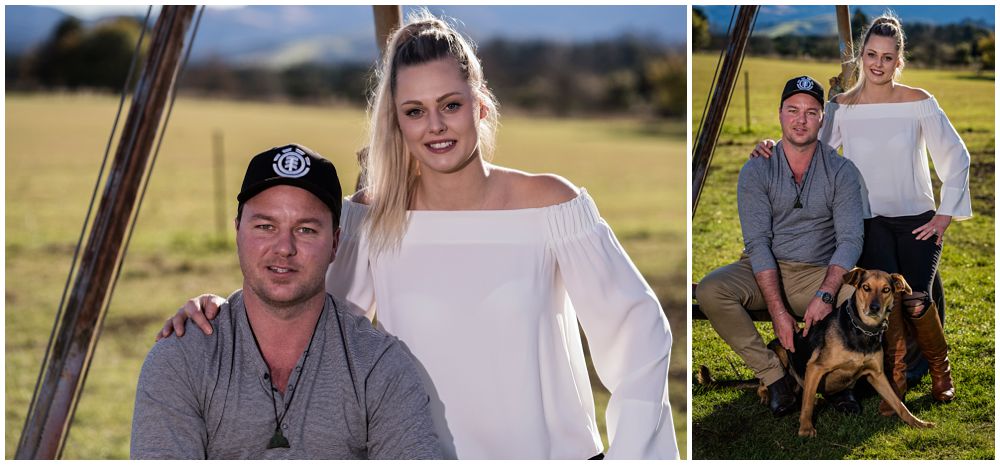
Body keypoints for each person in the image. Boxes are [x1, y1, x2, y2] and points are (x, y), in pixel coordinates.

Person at [156, 11, 677, 460]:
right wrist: (217, 318)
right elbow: (300, 320)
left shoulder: (552, 207)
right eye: (414, 112)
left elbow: (639, 335)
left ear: (481, 106)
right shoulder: (370, 220)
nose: (436, 127)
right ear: (397, 124)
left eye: (450, 104)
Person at [131, 144, 442, 459]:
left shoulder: (378, 365)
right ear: (237, 230)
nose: (284, 247)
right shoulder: (183, 358)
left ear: (335, 243)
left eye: (305, 230)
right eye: (265, 226)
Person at [751, 14, 968, 415]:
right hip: (870, 221)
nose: (878, 64)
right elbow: (811, 149)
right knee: (887, 306)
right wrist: (771, 144)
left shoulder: (919, 102)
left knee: (918, 299)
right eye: (871, 54)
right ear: (861, 56)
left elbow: (956, 156)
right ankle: (896, 379)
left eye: (888, 57)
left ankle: (942, 372)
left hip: (917, 216)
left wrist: (944, 214)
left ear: (899, 59)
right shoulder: (841, 108)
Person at [695, 76, 868, 417]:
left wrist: (826, 293)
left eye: (810, 112)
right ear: (780, 114)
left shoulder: (842, 171)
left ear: (822, 118)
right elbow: (757, 243)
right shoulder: (757, 168)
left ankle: (837, 386)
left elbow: (850, 240)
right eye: (793, 110)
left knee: (856, 301)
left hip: (815, 273)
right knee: (712, 289)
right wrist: (777, 312)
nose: (800, 120)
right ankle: (774, 377)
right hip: (763, 269)